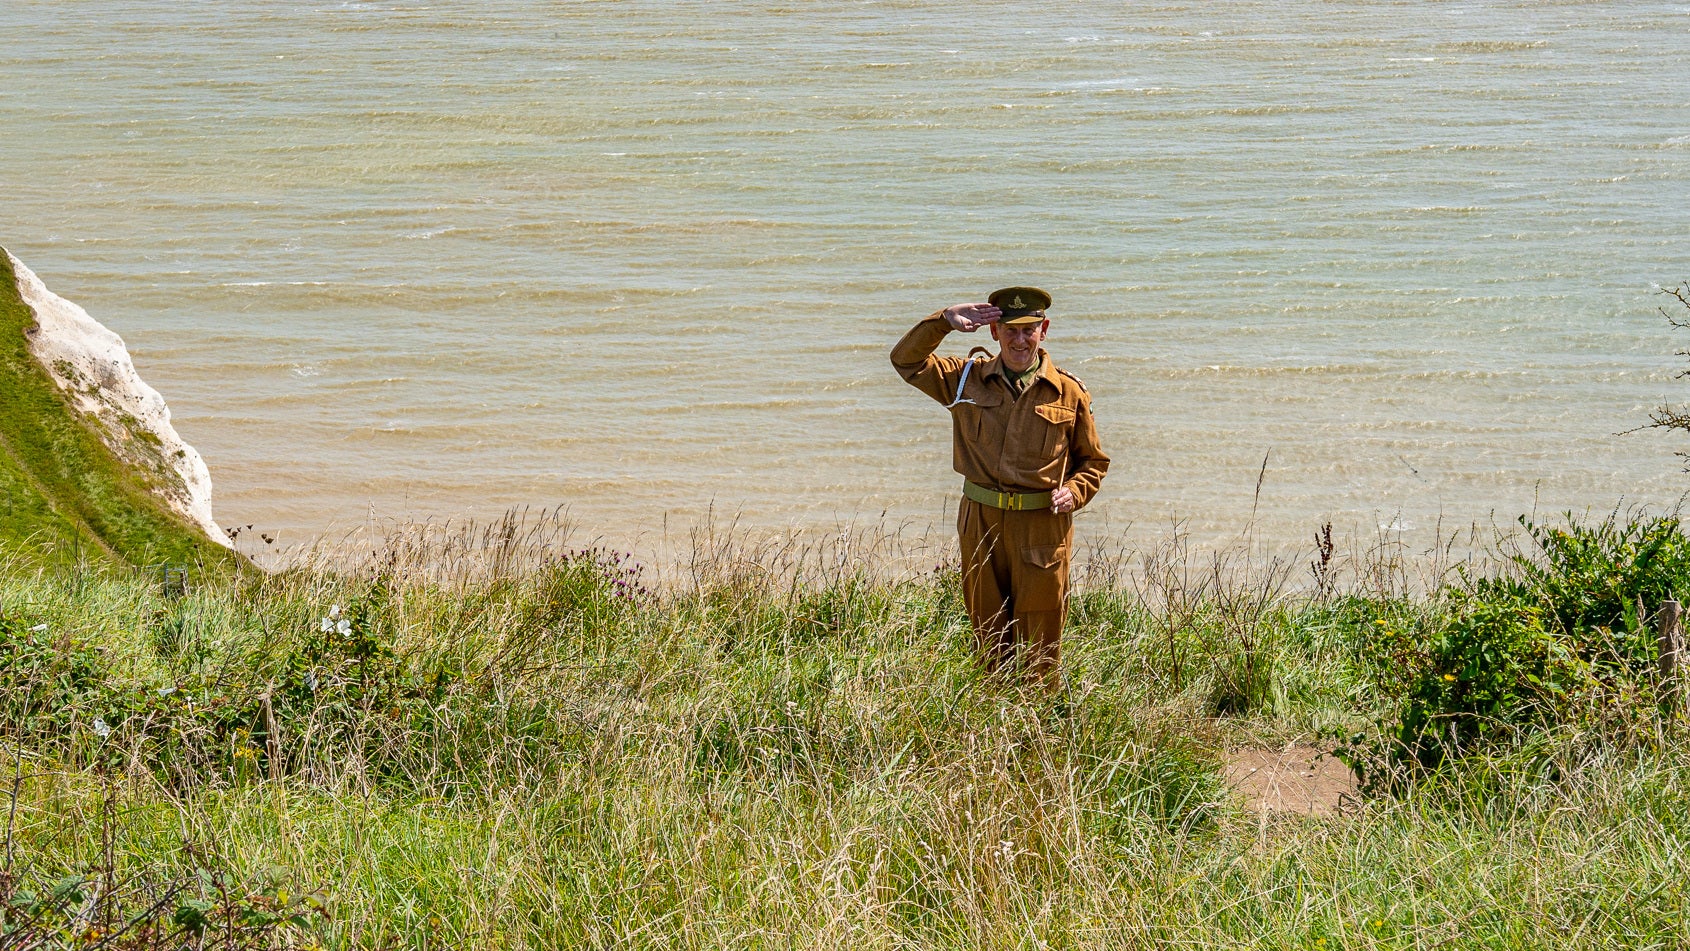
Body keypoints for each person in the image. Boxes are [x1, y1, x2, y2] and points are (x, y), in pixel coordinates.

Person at [891, 286, 1109, 689]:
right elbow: (905, 361)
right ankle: (992, 722)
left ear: (1044, 330)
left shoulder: (1068, 391)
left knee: (1041, 636)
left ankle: (1037, 726)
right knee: (987, 630)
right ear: (994, 333)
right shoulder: (963, 380)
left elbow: (1092, 462)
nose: (1019, 339)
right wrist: (944, 321)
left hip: (1042, 527)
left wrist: (1075, 492)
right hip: (981, 524)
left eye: (1029, 329)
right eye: (1010, 329)